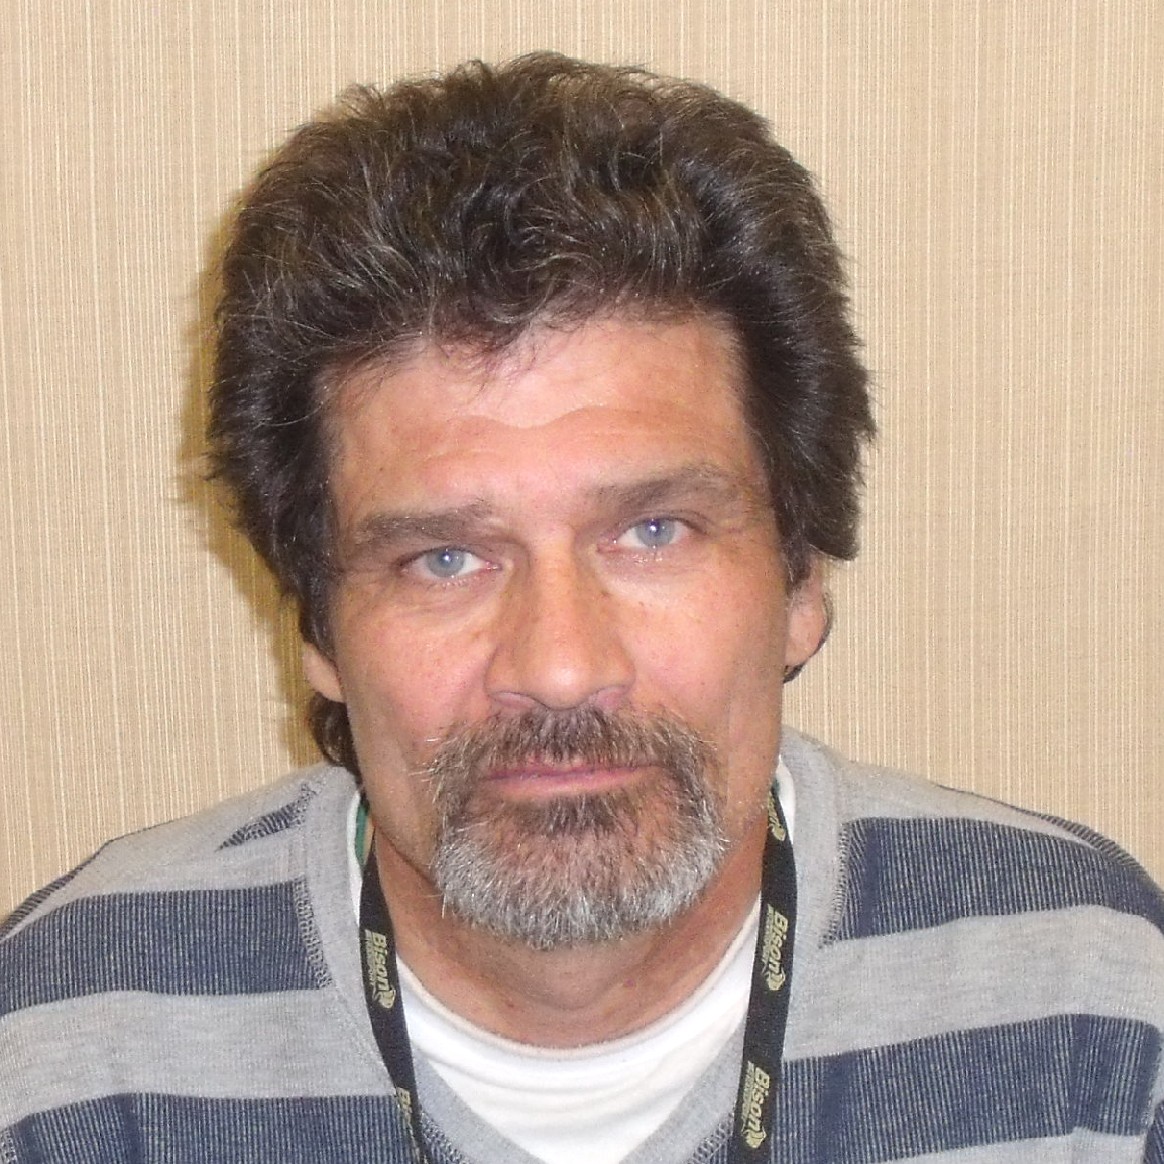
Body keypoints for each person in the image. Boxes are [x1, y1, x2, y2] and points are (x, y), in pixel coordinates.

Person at [1, 52, 1161, 1164]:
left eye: (654, 532)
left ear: (801, 582)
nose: (559, 666)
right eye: (444, 558)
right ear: (318, 628)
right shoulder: (69, 1041)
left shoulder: (1091, 1003)